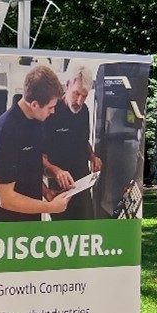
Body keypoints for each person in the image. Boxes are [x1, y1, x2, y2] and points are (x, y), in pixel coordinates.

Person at [0, 65, 73, 222]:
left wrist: (50, 180)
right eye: (50, 107)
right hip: (11, 228)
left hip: (33, 221)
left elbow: (29, 163)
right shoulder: (5, 131)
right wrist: (51, 207)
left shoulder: (36, 120)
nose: (53, 112)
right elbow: (6, 199)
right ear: (34, 104)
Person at [42, 64, 102, 219]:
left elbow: (83, 141)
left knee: (87, 231)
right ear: (67, 85)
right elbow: (39, 156)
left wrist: (93, 156)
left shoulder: (84, 112)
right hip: (60, 189)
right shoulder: (50, 113)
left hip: (83, 184)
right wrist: (55, 170)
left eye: (84, 96)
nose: (80, 101)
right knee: (63, 234)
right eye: (76, 94)